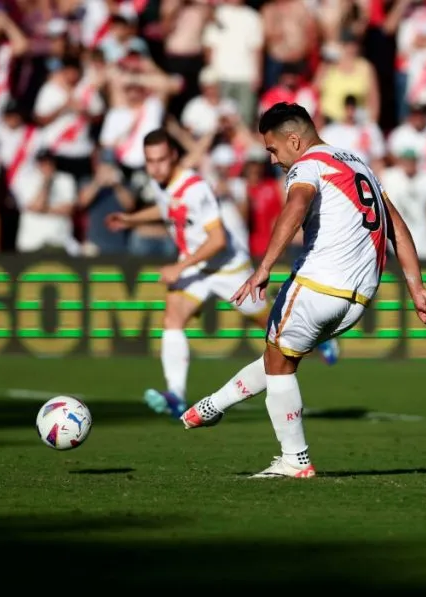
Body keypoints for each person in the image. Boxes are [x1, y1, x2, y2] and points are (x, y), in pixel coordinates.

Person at [179, 103, 426, 478]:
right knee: (280, 358)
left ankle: (294, 459)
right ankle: (212, 406)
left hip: (319, 283)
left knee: (279, 361)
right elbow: (395, 225)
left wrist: (264, 267)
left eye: (273, 150)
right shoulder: (358, 164)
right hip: (358, 297)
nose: (273, 160)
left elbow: (296, 205)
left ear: (295, 141)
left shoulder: (308, 165)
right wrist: (416, 286)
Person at [107, 129, 340, 421]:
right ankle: (176, 396)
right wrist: (131, 219)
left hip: (227, 269)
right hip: (196, 267)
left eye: (161, 160)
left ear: (174, 156)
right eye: (150, 161)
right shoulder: (160, 183)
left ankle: (320, 340)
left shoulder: (195, 188)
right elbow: (168, 208)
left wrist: (179, 267)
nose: (156, 167)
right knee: (172, 319)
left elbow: (217, 240)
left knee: (274, 328)